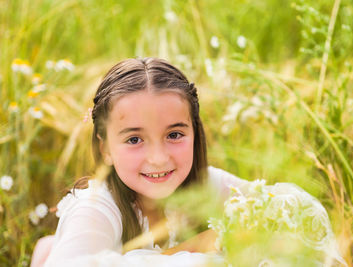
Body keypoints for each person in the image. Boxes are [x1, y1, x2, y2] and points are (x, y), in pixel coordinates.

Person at [31, 57, 249, 267]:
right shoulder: (95, 209)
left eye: (174, 135)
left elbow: (277, 208)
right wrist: (198, 246)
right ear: (105, 148)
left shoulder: (206, 183)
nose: (158, 159)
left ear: (195, 133)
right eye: (134, 139)